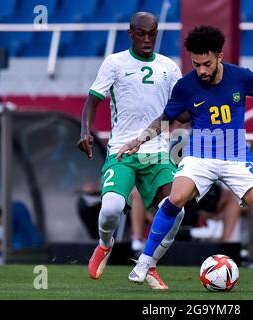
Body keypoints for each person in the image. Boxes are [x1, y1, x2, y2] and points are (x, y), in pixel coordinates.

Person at [117, 26, 253, 292]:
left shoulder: (242, 77)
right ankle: (145, 261)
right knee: (176, 198)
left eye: (206, 63)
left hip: (236, 156)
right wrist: (137, 141)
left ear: (219, 56)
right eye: (196, 64)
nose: (201, 70)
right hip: (200, 155)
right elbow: (165, 120)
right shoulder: (186, 86)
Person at [77, 12, 185, 290]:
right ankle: (104, 244)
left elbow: (182, 109)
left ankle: (149, 263)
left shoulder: (170, 67)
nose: (147, 39)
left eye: (152, 33)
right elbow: (92, 101)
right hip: (122, 151)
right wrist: (85, 131)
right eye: (141, 33)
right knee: (111, 208)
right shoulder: (114, 63)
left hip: (158, 153)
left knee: (176, 211)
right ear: (130, 33)